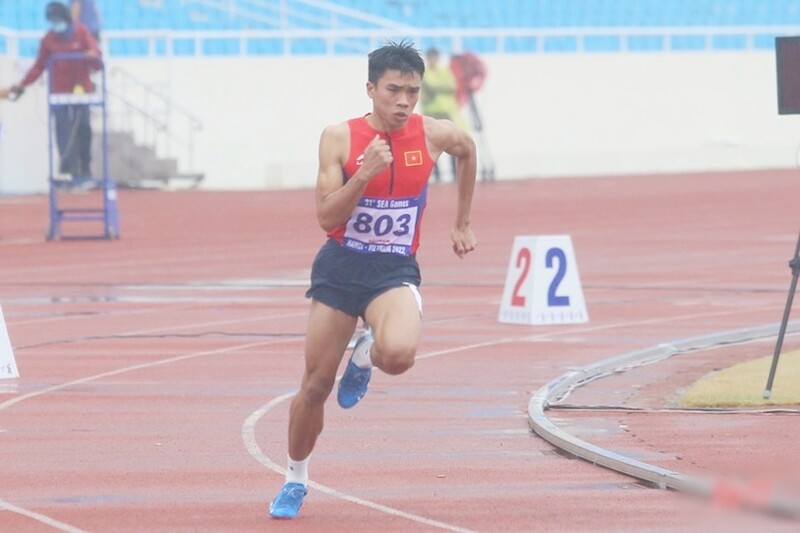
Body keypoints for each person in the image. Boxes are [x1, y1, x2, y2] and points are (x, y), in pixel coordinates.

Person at [268, 40, 477, 520]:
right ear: (370, 89)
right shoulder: (339, 138)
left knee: (399, 355)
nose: (404, 102)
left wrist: (463, 221)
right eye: (393, 90)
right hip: (342, 266)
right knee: (316, 386)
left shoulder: (433, 134)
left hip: (393, 268)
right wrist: (364, 175)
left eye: (412, 92)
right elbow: (326, 217)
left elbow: (468, 152)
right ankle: (295, 478)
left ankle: (366, 352)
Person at [0, 2, 101, 182]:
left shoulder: (81, 32)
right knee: (62, 130)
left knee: (83, 128)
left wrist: (92, 57)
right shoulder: (49, 39)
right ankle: (68, 170)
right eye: (53, 21)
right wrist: (21, 85)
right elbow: (38, 67)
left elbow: (98, 58)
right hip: (59, 93)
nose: (56, 24)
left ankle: (85, 169)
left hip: (81, 91)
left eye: (58, 20)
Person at [420, 47, 469, 183]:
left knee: (451, 143)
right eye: (431, 57)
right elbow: (429, 88)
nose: (433, 59)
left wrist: (437, 89)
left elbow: (452, 87)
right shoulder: (424, 73)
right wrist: (441, 88)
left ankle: (454, 173)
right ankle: (437, 174)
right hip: (431, 112)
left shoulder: (445, 72)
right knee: (432, 145)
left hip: (446, 112)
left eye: (434, 56)